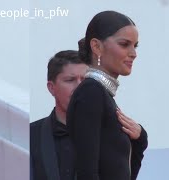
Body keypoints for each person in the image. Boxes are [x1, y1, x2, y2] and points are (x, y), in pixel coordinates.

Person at [66, 11, 148, 180]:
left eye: (135, 46)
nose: (133, 53)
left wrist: (140, 139)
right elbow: (87, 172)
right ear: (97, 46)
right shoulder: (91, 92)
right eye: (125, 44)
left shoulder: (101, 94)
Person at [30, 50, 89, 180]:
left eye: (85, 80)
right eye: (70, 80)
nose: (80, 87)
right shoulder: (31, 134)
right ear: (51, 88)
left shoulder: (108, 135)